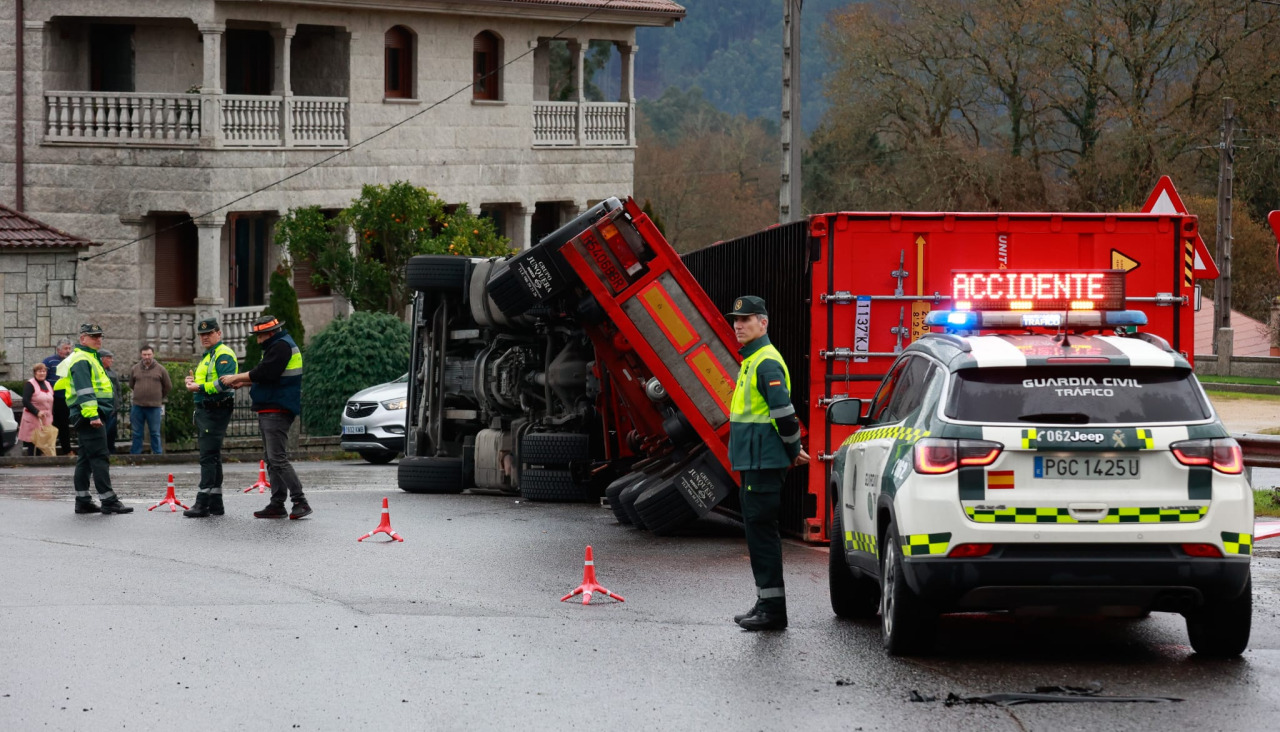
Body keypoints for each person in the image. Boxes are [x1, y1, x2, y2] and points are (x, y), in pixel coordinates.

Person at [725, 296, 808, 631]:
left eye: (746, 319)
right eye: (736, 320)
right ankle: (766, 602)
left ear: (764, 323)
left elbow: (783, 414)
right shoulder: (753, 360)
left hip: (763, 462)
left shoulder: (766, 362)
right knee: (758, 534)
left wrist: (793, 449)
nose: (738, 325)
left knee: (762, 534)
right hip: (755, 461)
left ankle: (772, 610)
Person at [220, 315, 311, 520]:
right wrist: (244, 383)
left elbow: (265, 372)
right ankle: (277, 503)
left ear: (268, 333)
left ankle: (300, 501)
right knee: (272, 459)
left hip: (277, 408)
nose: (257, 340)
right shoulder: (278, 346)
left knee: (277, 458)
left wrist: (237, 377)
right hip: (271, 407)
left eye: (259, 336)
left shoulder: (281, 347)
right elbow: (269, 377)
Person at [55, 324, 133, 514]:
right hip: (90, 415)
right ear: (83, 339)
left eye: (100, 336)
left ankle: (83, 500)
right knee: (99, 456)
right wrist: (93, 416)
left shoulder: (89, 356)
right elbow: (85, 390)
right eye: (93, 336)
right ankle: (109, 500)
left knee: (86, 458)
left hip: (89, 414)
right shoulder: (82, 359)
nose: (98, 339)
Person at [183, 318, 239, 518]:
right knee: (212, 456)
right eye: (202, 334)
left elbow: (224, 383)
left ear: (219, 333)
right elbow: (207, 381)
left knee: (208, 457)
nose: (205, 337)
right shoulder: (209, 355)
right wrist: (192, 381)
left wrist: (198, 387)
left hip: (216, 409)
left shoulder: (223, 354)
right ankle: (215, 503)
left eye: (209, 333)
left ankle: (202, 502)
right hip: (208, 410)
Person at [128, 344, 171, 454]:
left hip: (154, 407)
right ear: (141, 355)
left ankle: (157, 455)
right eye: (144, 354)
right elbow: (131, 384)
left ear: (153, 354)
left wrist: (158, 396)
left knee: (155, 432)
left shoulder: (161, 369)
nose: (147, 357)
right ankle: (135, 455)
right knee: (137, 432)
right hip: (138, 406)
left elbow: (168, 386)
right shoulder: (135, 369)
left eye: (149, 354)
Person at [42, 338, 73, 455]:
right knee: (51, 424)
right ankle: (49, 450)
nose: (68, 351)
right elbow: (42, 378)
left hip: (66, 398)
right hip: (52, 398)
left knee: (64, 425)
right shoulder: (49, 361)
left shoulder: (72, 361)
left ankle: (67, 450)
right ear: (58, 349)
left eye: (70, 348)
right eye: (66, 348)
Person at [18, 363, 55, 456]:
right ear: (35, 373)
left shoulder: (48, 384)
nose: (42, 373)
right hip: (33, 418)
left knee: (43, 442)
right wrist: (36, 412)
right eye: (39, 371)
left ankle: (42, 462)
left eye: (44, 371)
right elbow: (25, 401)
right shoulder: (30, 384)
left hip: (46, 419)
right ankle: (33, 463)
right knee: (33, 442)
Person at [99, 349, 121, 454]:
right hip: (102, 407)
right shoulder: (97, 372)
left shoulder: (113, 373)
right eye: (109, 358)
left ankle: (111, 450)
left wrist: (118, 402)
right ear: (102, 359)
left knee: (112, 431)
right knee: (103, 431)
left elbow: (118, 389)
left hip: (113, 407)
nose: (111, 360)